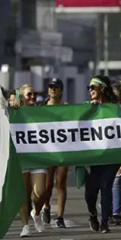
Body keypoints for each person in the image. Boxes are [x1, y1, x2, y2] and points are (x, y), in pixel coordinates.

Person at [83, 76, 121, 233]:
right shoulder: (87, 108)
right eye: (89, 88)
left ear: (103, 88)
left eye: (93, 87)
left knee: (106, 186)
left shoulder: (116, 108)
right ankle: (92, 214)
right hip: (93, 156)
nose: (90, 90)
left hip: (111, 156)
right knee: (90, 192)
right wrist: (89, 110)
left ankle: (105, 222)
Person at [15, 84, 47, 237]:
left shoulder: (41, 111)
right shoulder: (14, 112)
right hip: (22, 157)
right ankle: (25, 225)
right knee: (23, 194)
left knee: (40, 192)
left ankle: (37, 212)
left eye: (34, 94)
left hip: (38, 156)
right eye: (29, 94)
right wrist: (12, 103)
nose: (33, 97)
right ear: (21, 97)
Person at [40, 78, 69, 228]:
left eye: (56, 87)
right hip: (48, 151)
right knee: (47, 185)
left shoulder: (68, 108)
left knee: (61, 183)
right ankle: (46, 206)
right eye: (51, 87)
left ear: (61, 91)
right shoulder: (41, 107)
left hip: (63, 151)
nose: (52, 89)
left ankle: (60, 216)